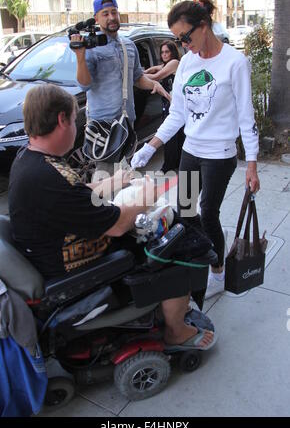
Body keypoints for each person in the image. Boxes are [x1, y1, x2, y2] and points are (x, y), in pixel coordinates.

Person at [8, 84, 215, 350]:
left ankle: (169, 309)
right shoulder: (45, 177)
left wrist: (115, 181)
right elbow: (117, 226)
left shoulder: (31, 158)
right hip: (69, 265)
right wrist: (147, 197)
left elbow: (74, 194)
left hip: (49, 250)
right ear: (61, 120)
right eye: (74, 120)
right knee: (177, 244)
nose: (77, 128)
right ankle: (176, 331)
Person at [131, 0, 260, 299]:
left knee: (208, 213)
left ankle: (217, 270)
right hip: (191, 149)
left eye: (185, 37)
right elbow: (177, 114)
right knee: (186, 212)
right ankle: (211, 250)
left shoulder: (235, 62)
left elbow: (246, 117)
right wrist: (150, 148)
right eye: (178, 40)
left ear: (204, 26)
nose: (183, 45)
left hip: (220, 154)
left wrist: (251, 164)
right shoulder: (188, 62)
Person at [70, 0, 170, 173]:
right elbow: (84, 85)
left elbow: (138, 78)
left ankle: (119, 201)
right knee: (105, 176)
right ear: (97, 18)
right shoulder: (91, 48)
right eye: (105, 14)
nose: (111, 18)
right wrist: (80, 58)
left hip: (127, 119)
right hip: (103, 123)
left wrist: (155, 84)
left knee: (124, 173)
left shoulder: (129, 45)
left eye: (114, 12)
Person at [144, 40, 185, 173]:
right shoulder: (166, 65)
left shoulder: (174, 63)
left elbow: (157, 76)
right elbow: (155, 69)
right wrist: (144, 72)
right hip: (170, 104)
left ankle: (168, 166)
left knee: (171, 136)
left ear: (173, 52)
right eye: (162, 52)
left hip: (175, 104)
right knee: (175, 136)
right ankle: (175, 165)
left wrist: (137, 77)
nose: (164, 54)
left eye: (167, 51)